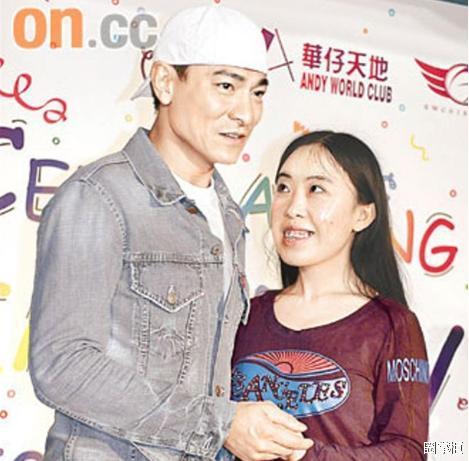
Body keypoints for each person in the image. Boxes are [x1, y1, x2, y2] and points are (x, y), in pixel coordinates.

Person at [29, 6, 313, 461]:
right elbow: (62, 364)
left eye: (258, 92)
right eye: (226, 86)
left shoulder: (228, 214)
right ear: (165, 82)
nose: (246, 113)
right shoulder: (100, 196)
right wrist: (218, 424)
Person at [230, 131, 429, 460]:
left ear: (362, 215)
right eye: (283, 187)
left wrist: (303, 455)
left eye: (316, 189)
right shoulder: (243, 314)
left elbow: (410, 451)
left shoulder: (393, 326)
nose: (293, 208)